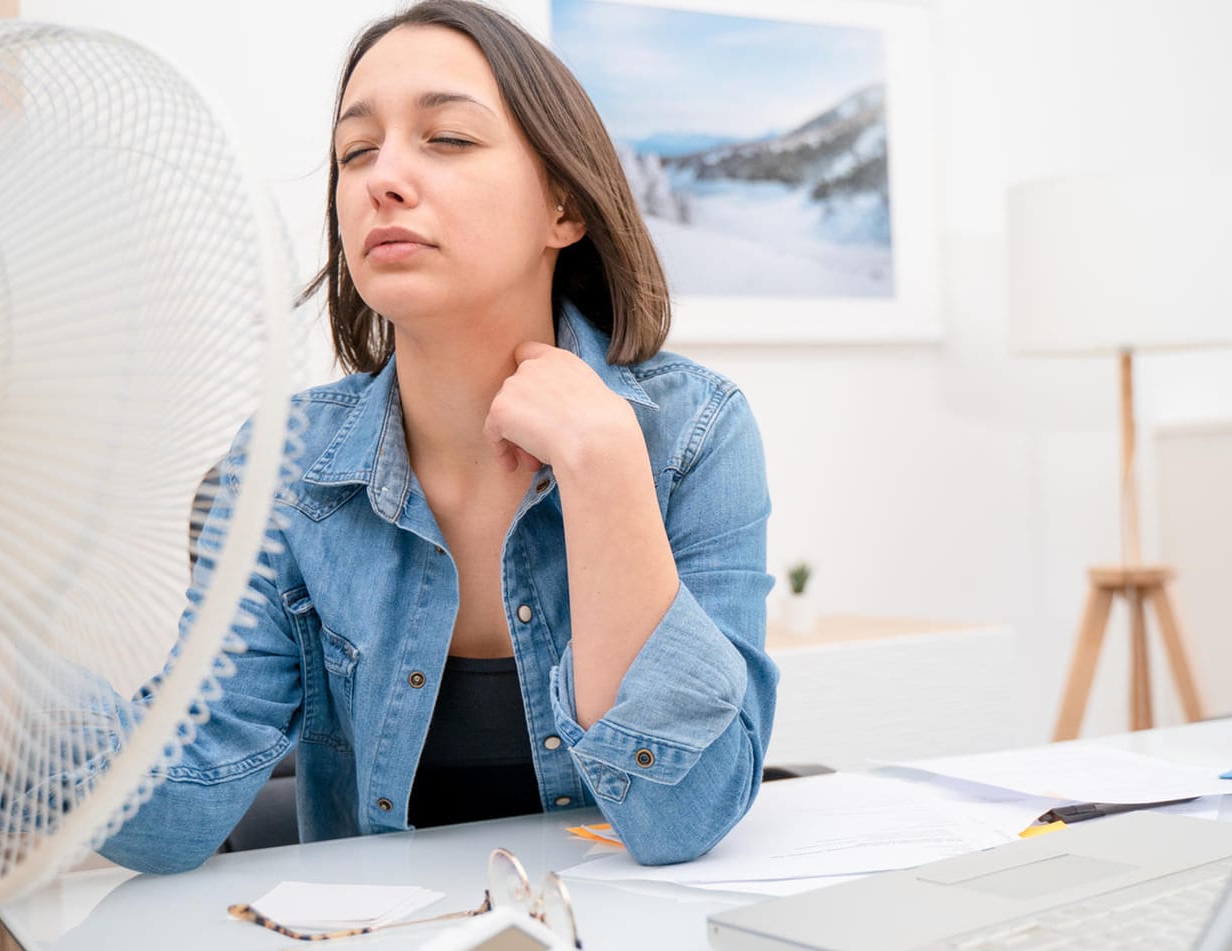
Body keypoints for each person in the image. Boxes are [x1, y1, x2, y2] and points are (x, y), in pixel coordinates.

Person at [97, 0, 776, 872]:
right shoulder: (281, 464)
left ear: (563, 206)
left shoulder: (696, 434)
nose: (384, 178)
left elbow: (683, 818)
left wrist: (605, 470)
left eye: (447, 139)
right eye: (355, 151)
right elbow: (173, 812)